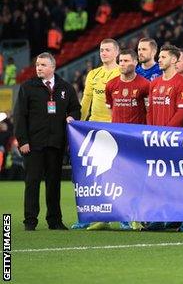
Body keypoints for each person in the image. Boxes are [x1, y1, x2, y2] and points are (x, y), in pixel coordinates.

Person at [14, 52, 81, 231]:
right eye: (37, 65)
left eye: (43, 65)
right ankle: (30, 221)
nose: (39, 68)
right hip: (33, 144)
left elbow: (75, 109)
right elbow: (20, 116)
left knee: (54, 184)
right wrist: (22, 141)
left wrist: (72, 117)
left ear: (53, 67)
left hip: (56, 144)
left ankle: (55, 220)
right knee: (32, 183)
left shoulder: (65, 88)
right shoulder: (27, 87)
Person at [74, 38, 120, 230]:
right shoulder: (93, 74)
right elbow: (85, 102)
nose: (103, 53)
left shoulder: (122, 72)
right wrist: (78, 125)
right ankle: (90, 216)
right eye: (101, 50)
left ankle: (122, 217)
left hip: (116, 129)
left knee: (117, 175)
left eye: (107, 50)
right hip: (94, 128)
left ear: (116, 53)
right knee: (92, 175)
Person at [144, 45, 183, 232]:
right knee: (157, 181)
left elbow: (181, 111)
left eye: (163, 57)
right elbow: (150, 111)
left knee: (177, 182)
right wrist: (151, 132)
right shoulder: (154, 83)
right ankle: (157, 218)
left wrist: (166, 133)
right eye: (159, 57)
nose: (159, 60)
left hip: (173, 140)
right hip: (156, 140)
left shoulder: (181, 83)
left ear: (173, 60)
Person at [104, 48, 150, 231]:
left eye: (126, 61)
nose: (122, 64)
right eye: (120, 61)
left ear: (135, 63)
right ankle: (115, 216)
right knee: (116, 180)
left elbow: (148, 111)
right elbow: (110, 109)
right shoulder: (111, 85)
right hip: (116, 141)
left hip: (136, 140)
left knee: (136, 180)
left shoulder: (145, 85)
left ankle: (136, 216)